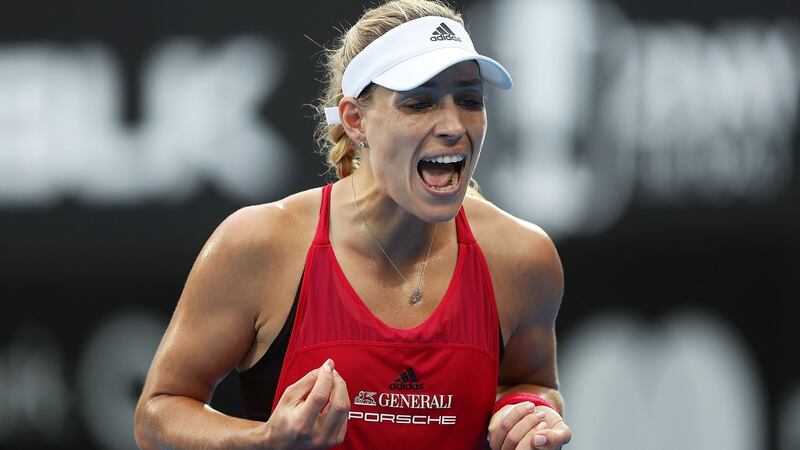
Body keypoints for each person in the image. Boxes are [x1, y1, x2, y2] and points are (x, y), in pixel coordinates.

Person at [134, 0, 572, 449]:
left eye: (469, 100)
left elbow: (533, 383)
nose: (454, 126)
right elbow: (156, 415)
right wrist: (265, 441)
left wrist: (526, 413)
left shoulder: (522, 257)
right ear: (355, 120)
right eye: (420, 102)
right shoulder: (261, 245)